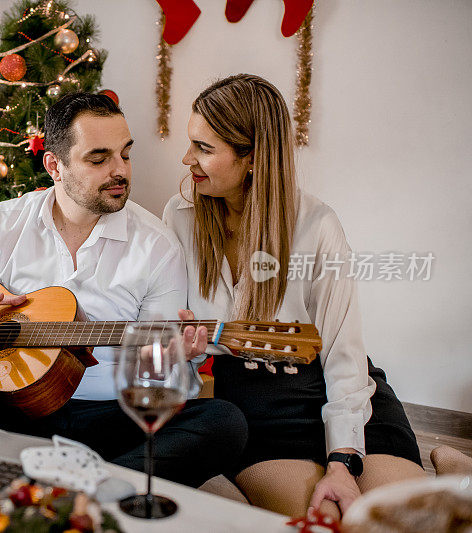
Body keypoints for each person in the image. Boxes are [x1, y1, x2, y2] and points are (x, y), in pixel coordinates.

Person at [0, 92, 247, 487]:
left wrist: (171, 360)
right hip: (15, 407)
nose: (119, 170)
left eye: (126, 154)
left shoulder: (157, 246)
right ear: (54, 166)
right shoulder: (2, 223)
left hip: (112, 415)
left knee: (223, 422)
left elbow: (155, 383)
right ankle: (95, 485)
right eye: (98, 158)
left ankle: (74, 489)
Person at [163, 74, 424, 517]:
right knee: (328, 525)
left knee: (397, 524)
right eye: (192, 143)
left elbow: (344, 354)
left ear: (253, 158)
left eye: (204, 148)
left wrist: (342, 460)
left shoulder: (318, 225)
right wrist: (182, 350)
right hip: (256, 402)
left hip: (345, 392)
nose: (187, 159)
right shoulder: (180, 216)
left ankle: (452, 461)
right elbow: (176, 330)